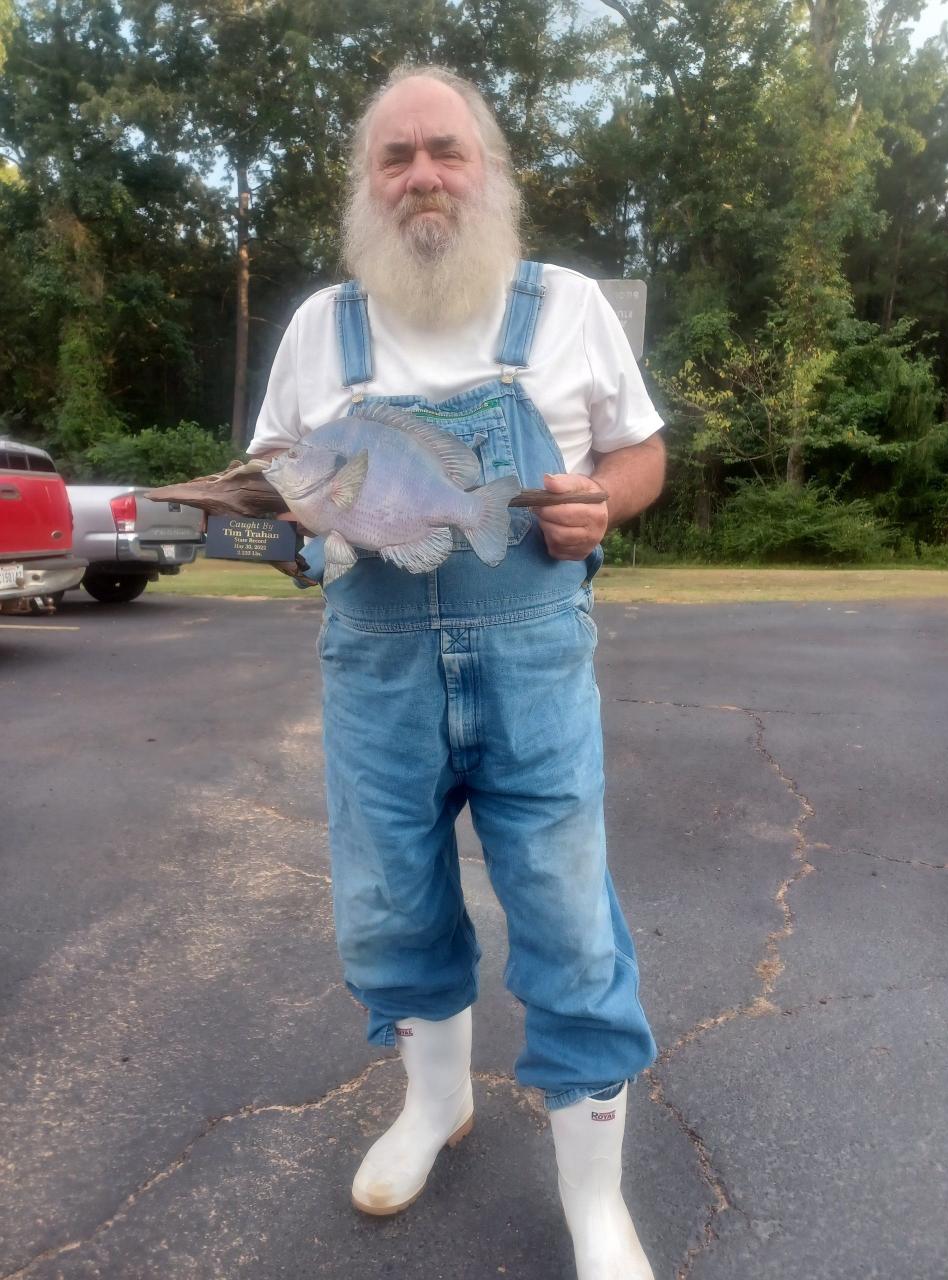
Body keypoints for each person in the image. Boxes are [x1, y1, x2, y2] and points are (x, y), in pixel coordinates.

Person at [250, 64, 666, 1280]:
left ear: (486, 168)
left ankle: (596, 1201)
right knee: (390, 902)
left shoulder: (569, 306)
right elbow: (276, 465)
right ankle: (436, 1103)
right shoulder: (323, 327)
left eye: (446, 149)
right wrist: (283, 519)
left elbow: (641, 454)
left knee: (569, 918)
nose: (423, 173)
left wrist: (605, 502)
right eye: (396, 156)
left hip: (536, 665)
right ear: (366, 183)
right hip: (373, 670)